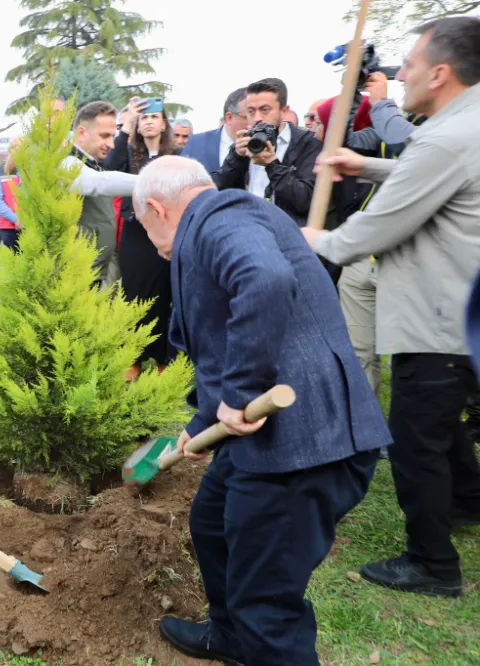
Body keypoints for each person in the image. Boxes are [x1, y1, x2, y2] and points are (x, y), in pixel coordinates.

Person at [135, 156, 387, 666]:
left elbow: (265, 279)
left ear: (157, 209)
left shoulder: (221, 214)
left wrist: (242, 388)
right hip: (266, 440)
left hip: (306, 445)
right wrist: (203, 424)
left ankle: (257, 637)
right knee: (210, 520)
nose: (157, 248)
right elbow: (220, 337)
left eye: (146, 230)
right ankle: (229, 635)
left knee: (266, 602)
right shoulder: (222, 221)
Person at [302, 16, 480, 598]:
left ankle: (433, 564)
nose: (397, 75)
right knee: (441, 423)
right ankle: (466, 503)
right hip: (456, 313)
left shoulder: (448, 136)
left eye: (409, 64)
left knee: (414, 439)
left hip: (435, 313)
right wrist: (369, 164)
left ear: (441, 72)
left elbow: (381, 225)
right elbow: (427, 173)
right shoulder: (464, 126)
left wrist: (320, 244)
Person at [105, 98, 178, 375]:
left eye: (154, 117)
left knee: (163, 294)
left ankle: (162, 358)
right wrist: (125, 126)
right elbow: (109, 168)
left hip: (165, 231)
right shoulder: (128, 152)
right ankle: (132, 358)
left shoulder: (176, 155)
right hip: (135, 233)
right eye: (143, 118)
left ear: (163, 123)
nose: (148, 121)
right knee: (133, 294)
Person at [212, 78, 322, 226]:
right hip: (246, 232)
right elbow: (217, 190)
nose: (257, 118)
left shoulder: (307, 143)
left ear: (284, 111)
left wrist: (272, 165)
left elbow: (305, 201)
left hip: (287, 236)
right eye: (251, 111)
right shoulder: (244, 143)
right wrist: (236, 157)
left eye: (265, 110)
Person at [63, 101, 139, 289]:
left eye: (112, 136)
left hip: (96, 273)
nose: (111, 144)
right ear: (81, 132)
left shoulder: (92, 162)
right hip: (76, 277)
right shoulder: (66, 162)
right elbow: (97, 183)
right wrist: (153, 181)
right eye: (104, 136)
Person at [181, 88, 248, 176]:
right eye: (249, 116)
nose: (256, 120)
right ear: (229, 118)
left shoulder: (267, 146)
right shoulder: (196, 144)